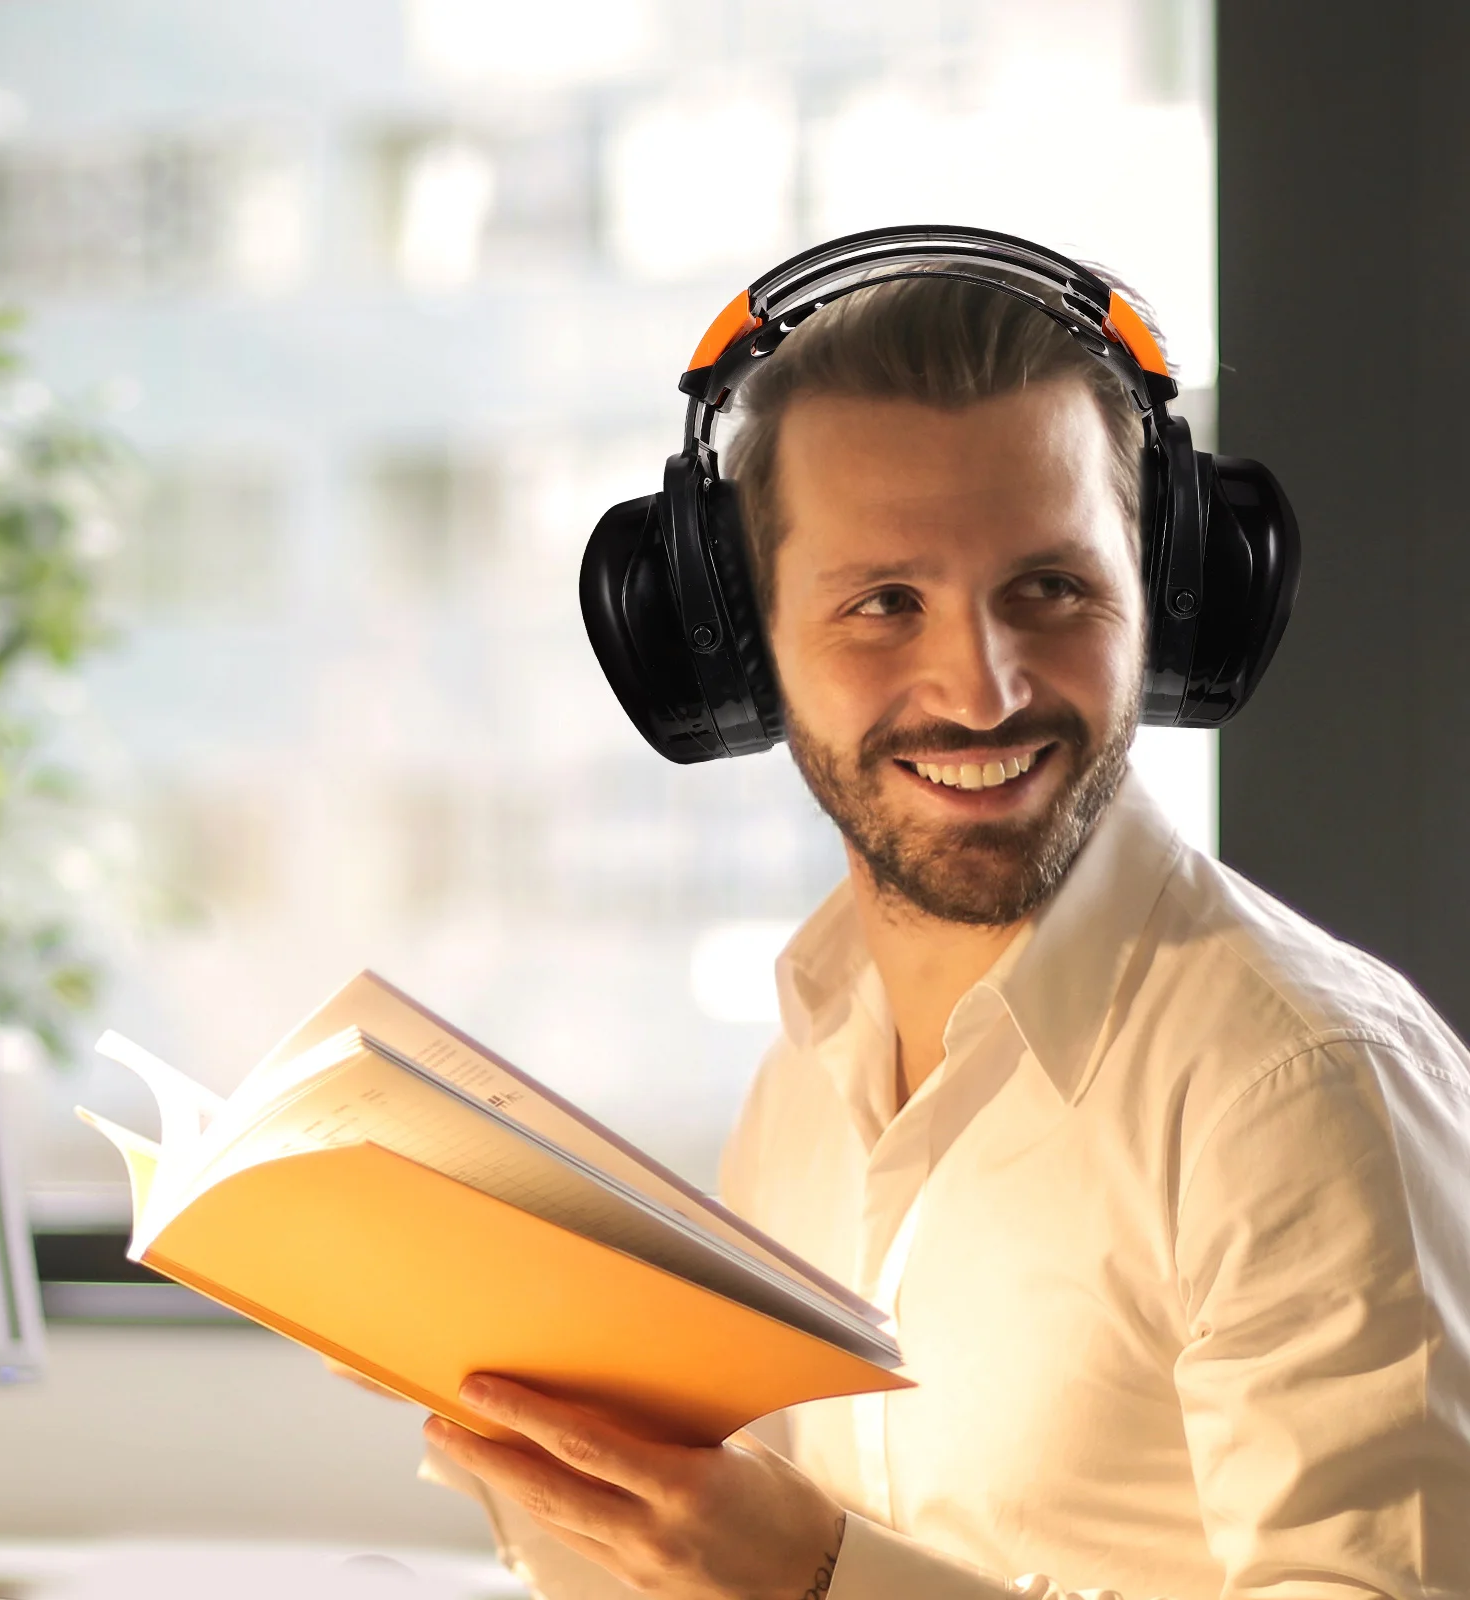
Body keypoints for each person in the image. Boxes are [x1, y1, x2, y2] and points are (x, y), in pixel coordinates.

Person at [404, 271, 1470, 1598]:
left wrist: (823, 1579)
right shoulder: (806, 1066)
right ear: (742, 651)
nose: (982, 689)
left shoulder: (1297, 1082)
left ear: (1163, 602)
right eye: (884, 602)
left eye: (1049, 588)